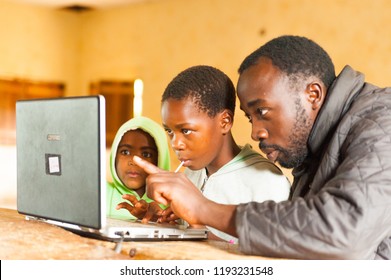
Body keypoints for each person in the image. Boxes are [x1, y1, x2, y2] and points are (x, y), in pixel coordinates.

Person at [132, 35, 391, 259]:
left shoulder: (382, 121)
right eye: (250, 117)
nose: (256, 132)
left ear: (312, 95)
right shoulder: (313, 153)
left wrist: (203, 209)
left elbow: (344, 234)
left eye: (263, 111)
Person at [157, 65, 290, 243]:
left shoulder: (267, 182)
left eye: (186, 131)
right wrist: (160, 221)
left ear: (225, 122)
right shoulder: (191, 173)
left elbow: (273, 259)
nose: (175, 144)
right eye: (170, 132)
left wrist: (199, 232)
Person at [106, 116, 171, 222]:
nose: (133, 161)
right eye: (125, 152)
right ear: (114, 156)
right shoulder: (99, 192)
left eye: (146, 154)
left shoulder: (171, 201)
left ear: (160, 160)